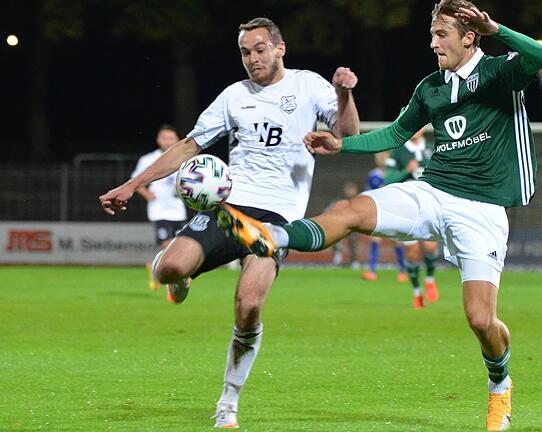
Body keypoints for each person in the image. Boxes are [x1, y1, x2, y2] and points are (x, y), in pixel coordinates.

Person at [216, 3, 542, 430]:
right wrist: (342, 146)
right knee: (351, 210)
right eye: (432, 34)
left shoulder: (501, 73)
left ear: (469, 36)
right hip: (432, 190)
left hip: (482, 209)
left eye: (441, 34)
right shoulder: (431, 86)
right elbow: (395, 132)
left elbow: (540, 57)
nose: (432, 43)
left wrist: (496, 27)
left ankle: (500, 385)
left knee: (481, 320)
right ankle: (271, 236)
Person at [99, 17, 359, 429]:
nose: (252, 58)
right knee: (168, 269)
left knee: (249, 305)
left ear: (280, 48)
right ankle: (182, 277)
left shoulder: (309, 86)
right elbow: (189, 145)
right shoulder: (234, 96)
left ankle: (228, 401)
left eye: (259, 49)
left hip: (277, 218)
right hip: (230, 208)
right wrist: (133, 185)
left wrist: (344, 93)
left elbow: (347, 133)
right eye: (245, 52)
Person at [383, 127, 440, 309]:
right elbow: (387, 180)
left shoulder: (432, 148)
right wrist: (406, 171)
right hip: (406, 209)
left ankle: (430, 279)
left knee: (431, 247)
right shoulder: (399, 151)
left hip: (429, 206)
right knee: (413, 252)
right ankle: (417, 293)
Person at [130, 124, 189, 293]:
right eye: (164, 137)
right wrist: (148, 195)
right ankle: (172, 275)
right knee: (166, 244)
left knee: (177, 245)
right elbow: (135, 181)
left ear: (177, 140)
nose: (168, 141)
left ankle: (158, 270)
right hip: (159, 210)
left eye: (171, 138)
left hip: (178, 209)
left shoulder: (183, 159)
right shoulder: (148, 159)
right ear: (158, 139)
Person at [362, 151, 408, 282]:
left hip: (394, 212)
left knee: (396, 240)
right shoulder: (373, 175)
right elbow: (368, 193)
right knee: (375, 239)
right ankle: (372, 271)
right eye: (379, 156)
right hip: (378, 212)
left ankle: (403, 271)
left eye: (384, 156)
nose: (381, 158)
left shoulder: (395, 174)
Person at [328, 181, 360, 268]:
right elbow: (331, 209)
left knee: (352, 242)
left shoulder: (359, 200)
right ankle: (337, 259)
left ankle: (354, 261)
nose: (350, 191)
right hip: (341, 224)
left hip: (353, 225)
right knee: (335, 240)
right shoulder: (340, 200)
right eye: (349, 189)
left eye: (352, 189)